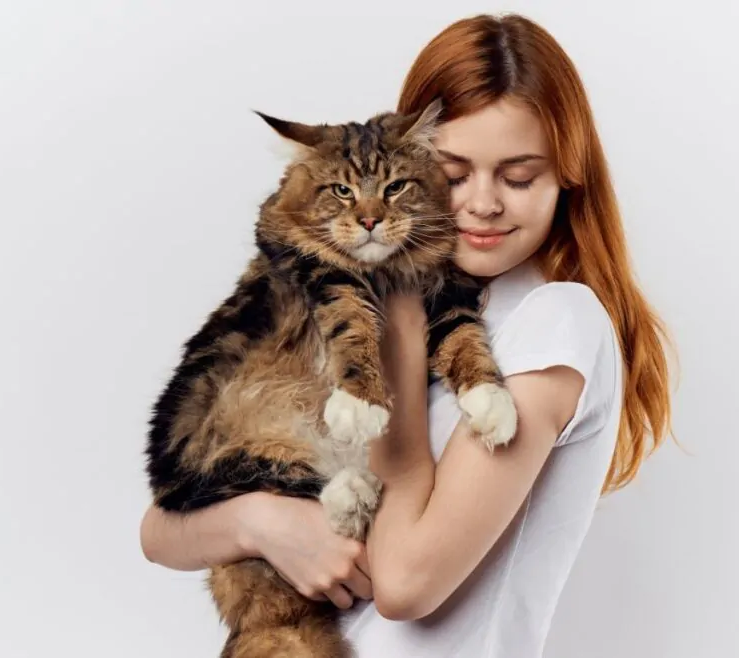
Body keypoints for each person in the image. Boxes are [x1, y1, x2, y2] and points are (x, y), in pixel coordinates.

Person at [139, 12, 673, 657]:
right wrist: (266, 522)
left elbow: (404, 584)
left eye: (520, 176)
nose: (482, 203)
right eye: (452, 174)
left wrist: (399, 358)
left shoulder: (556, 321)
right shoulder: (382, 294)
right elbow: (159, 533)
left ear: (566, 176)